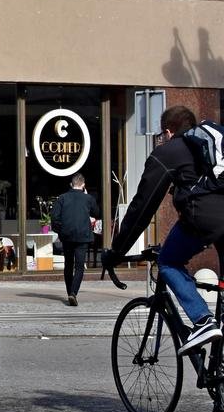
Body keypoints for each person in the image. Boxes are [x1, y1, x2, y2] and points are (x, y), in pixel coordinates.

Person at [103, 106, 224, 355]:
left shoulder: (169, 152)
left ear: (168, 132)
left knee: (169, 261)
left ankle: (202, 320)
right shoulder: (211, 148)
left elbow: (142, 208)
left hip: (206, 220)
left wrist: (117, 251)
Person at [50, 173, 100, 306]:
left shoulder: (62, 198)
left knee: (68, 265)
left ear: (71, 184)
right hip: (83, 236)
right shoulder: (88, 198)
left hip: (67, 236)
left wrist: (60, 231)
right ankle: (73, 293)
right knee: (79, 266)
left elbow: (54, 218)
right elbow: (96, 213)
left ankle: (69, 293)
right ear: (83, 185)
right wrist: (87, 196)